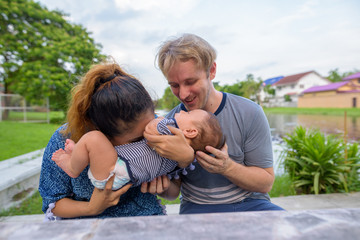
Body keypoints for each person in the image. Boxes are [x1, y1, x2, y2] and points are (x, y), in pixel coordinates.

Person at [142, 33, 284, 214]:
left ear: (212, 71)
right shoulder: (170, 123)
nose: (183, 94)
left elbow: (265, 183)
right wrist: (159, 184)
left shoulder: (250, 112)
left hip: (250, 203)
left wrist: (227, 167)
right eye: (174, 85)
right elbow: (173, 193)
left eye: (190, 81)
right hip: (197, 207)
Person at [39, 60, 166, 221]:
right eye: (137, 139)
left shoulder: (156, 127)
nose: (146, 140)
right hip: (86, 226)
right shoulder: (64, 138)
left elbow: (173, 190)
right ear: (103, 132)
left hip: (144, 219)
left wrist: (166, 187)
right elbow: (53, 203)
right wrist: (92, 208)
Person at [51, 109, 224, 190]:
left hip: (116, 170)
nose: (183, 112)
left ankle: (73, 166)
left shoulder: (171, 129)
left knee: (93, 138)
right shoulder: (182, 161)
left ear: (191, 132)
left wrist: (160, 118)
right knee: (99, 147)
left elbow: (151, 128)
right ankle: (80, 153)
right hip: (120, 174)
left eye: (188, 114)